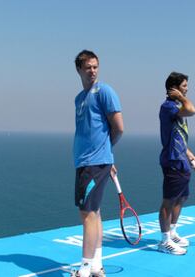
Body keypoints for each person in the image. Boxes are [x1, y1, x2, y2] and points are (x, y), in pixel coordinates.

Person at [71, 50, 123, 277]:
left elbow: (118, 128)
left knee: (87, 213)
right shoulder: (79, 98)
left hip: (94, 163)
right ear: (79, 70)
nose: (92, 70)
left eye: (95, 66)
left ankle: (84, 269)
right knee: (95, 212)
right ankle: (95, 266)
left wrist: (105, 154)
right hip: (86, 162)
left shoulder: (105, 92)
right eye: (88, 67)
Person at [158, 71, 195, 255]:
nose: (187, 89)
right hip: (172, 161)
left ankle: (173, 232)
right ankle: (164, 240)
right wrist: (181, 97)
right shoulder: (168, 107)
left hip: (181, 159)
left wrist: (188, 152)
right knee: (168, 201)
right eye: (184, 86)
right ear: (173, 89)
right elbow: (192, 110)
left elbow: (178, 134)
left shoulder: (176, 106)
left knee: (182, 198)